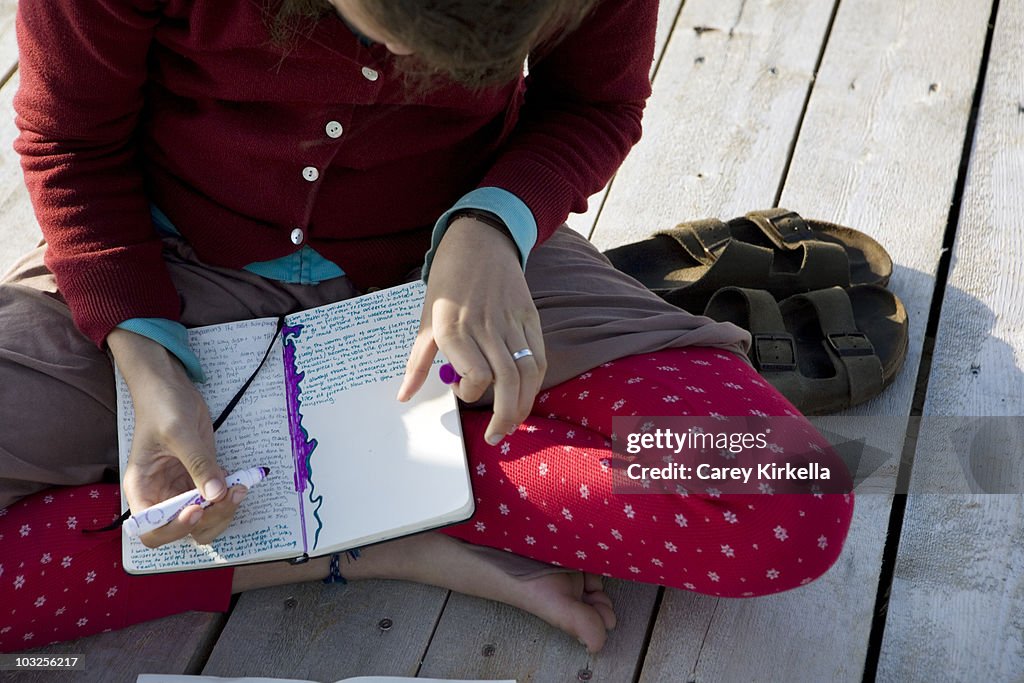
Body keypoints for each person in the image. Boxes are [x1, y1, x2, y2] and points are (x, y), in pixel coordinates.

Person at [0, 0, 853, 654]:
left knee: (788, 493)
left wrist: (491, 226)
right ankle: (390, 538)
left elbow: (596, 104)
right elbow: (70, 142)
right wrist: (148, 364)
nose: (405, 59)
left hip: (462, 264)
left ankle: (342, 498)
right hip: (163, 275)